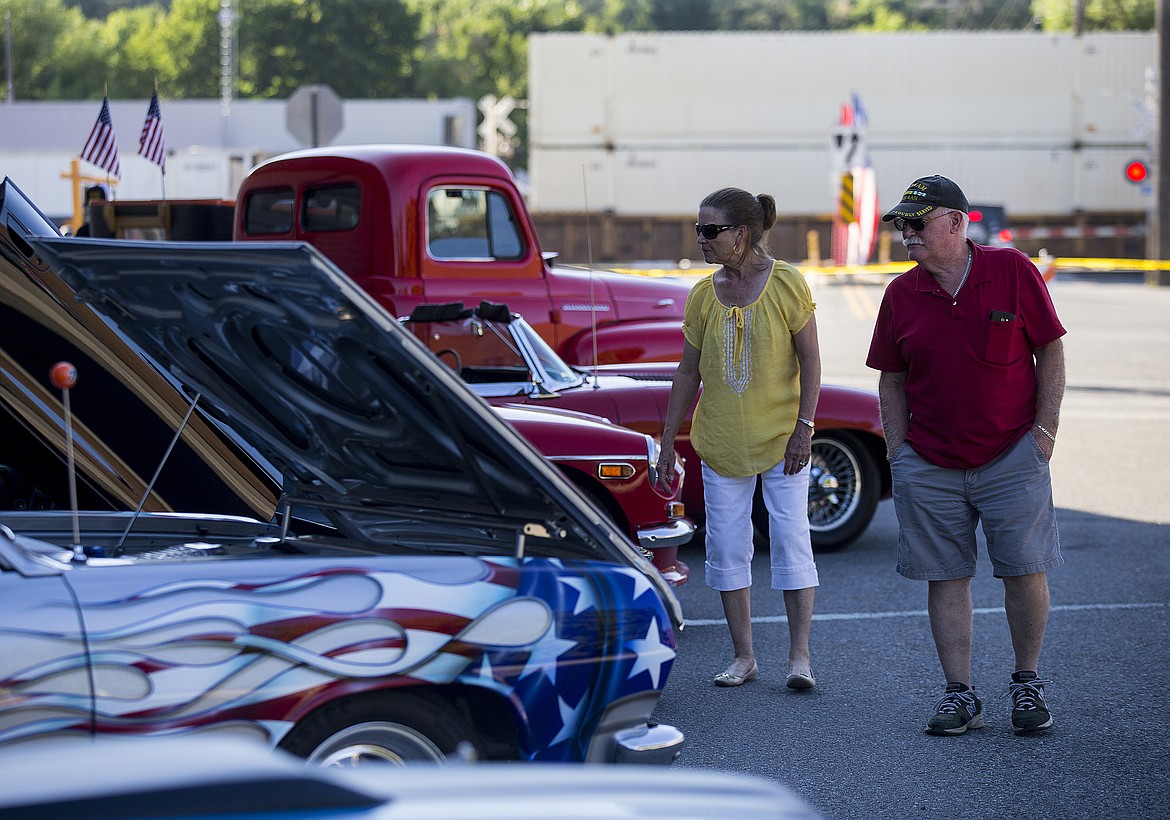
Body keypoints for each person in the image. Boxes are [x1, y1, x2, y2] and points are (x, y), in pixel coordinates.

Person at [866, 175, 1066, 736]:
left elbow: (1050, 348)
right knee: (945, 577)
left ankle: (1026, 682)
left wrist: (1044, 432)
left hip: (1011, 456)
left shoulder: (1012, 272)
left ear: (956, 222)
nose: (907, 234)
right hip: (929, 462)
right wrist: (899, 452)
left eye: (918, 223)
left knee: (1024, 570)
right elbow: (891, 379)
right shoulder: (901, 294)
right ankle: (960, 693)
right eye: (901, 225)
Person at [655, 187, 821, 690]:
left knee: (792, 541)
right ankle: (744, 657)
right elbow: (687, 373)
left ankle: (799, 659)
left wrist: (804, 428)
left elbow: (811, 360)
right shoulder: (703, 294)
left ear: (740, 234)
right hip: (721, 441)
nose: (701, 239)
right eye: (698, 230)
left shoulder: (788, 283)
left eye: (710, 231)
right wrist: (666, 442)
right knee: (727, 548)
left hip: (782, 439)